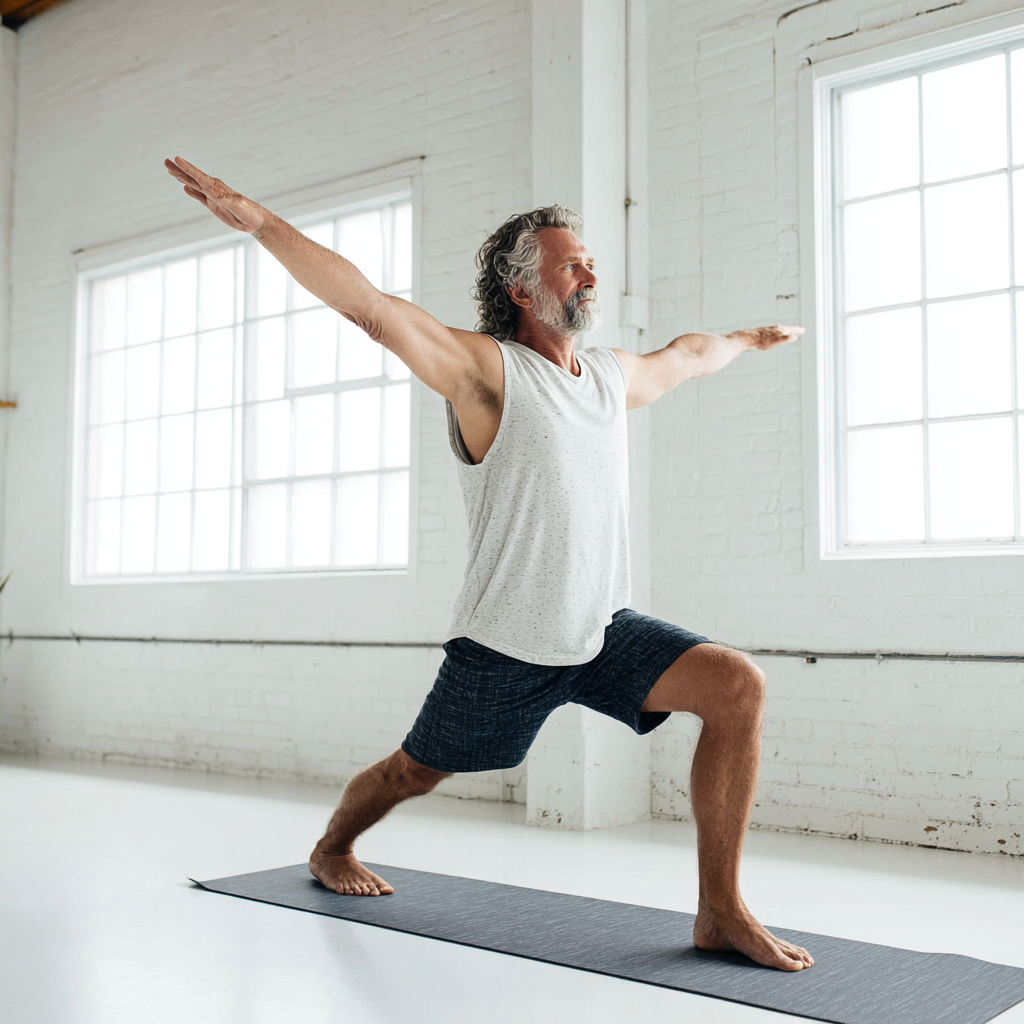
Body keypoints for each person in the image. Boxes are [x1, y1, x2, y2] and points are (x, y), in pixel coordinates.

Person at [165, 156, 812, 972]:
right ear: (521, 289)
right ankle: (333, 846)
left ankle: (720, 910)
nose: (589, 269)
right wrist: (263, 224)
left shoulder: (608, 377)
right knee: (412, 772)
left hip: (601, 629)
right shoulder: (485, 372)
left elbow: (686, 355)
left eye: (588, 259)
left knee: (736, 685)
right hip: (505, 644)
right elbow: (371, 309)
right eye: (569, 260)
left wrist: (751, 338)